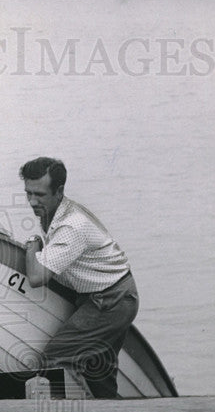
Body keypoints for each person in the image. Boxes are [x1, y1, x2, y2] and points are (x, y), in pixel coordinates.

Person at [20, 156, 138, 398]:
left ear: (59, 190)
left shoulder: (71, 226)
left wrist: (33, 244)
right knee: (99, 375)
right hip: (114, 294)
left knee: (54, 359)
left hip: (109, 300)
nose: (32, 201)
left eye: (39, 195)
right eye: (28, 193)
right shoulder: (55, 212)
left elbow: (35, 276)